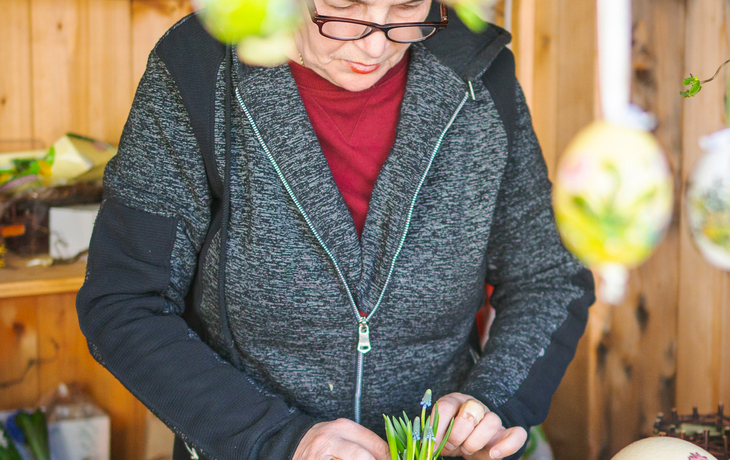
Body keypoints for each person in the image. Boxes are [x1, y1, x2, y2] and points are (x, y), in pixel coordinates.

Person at [76, 0, 595, 459]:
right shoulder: (199, 67)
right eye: (346, 6)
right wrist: (281, 440)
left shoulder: (480, 74)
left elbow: (548, 277)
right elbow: (123, 302)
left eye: (407, 8)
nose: (375, 42)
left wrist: (491, 402)